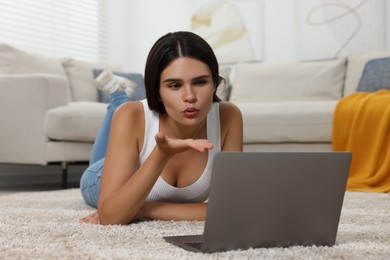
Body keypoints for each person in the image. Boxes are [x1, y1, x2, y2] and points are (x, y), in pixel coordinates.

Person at [79, 31, 243, 225]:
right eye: (175, 85)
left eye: (200, 82)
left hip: (135, 158)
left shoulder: (228, 116)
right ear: (156, 92)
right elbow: (111, 216)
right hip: (98, 175)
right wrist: (160, 155)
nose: (190, 96)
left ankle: (118, 96)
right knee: (120, 116)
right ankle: (118, 97)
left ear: (214, 83)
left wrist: (146, 208)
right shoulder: (131, 116)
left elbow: (229, 208)